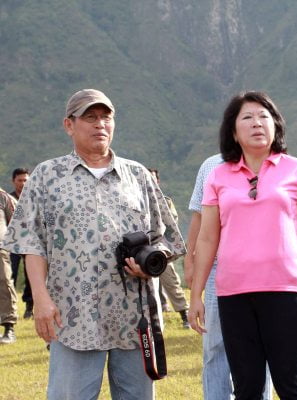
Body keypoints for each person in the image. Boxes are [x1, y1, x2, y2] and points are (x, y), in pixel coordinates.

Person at [1, 89, 186, 399]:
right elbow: (32, 242)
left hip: (133, 315)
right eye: (90, 117)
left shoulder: (138, 175)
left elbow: (166, 236)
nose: (100, 124)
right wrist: (41, 300)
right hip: (73, 315)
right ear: (69, 125)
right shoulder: (47, 175)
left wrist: (152, 262)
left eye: (106, 117)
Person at [188, 91, 297, 400]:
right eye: (248, 117)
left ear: (276, 126)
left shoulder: (295, 169)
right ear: (233, 131)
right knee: (247, 388)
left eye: (264, 117)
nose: (257, 123)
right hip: (233, 295)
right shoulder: (218, 176)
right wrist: (196, 295)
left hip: (287, 291)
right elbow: (207, 238)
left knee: (290, 385)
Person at [185, 153, 273, 400]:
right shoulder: (211, 164)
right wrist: (190, 258)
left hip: (261, 271)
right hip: (217, 268)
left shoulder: (274, 165)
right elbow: (198, 216)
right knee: (215, 347)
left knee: (259, 347)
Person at [147, 168, 190, 329]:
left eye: (153, 179)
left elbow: (172, 224)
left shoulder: (165, 201)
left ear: (157, 181)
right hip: (141, 250)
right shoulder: (134, 199)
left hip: (160, 251)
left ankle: (184, 315)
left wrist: (164, 249)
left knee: (171, 282)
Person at [9, 168, 34, 319]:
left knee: (30, 276)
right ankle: (7, 309)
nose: (23, 183)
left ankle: (29, 307)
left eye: (26, 180)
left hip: (30, 243)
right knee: (8, 275)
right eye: (20, 180)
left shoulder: (34, 199)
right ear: (13, 181)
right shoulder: (7, 199)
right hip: (10, 244)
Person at [0, 187, 18, 344]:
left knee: (5, 283)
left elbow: (16, 220)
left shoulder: (3, 197)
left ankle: (9, 328)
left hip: (0, 249)